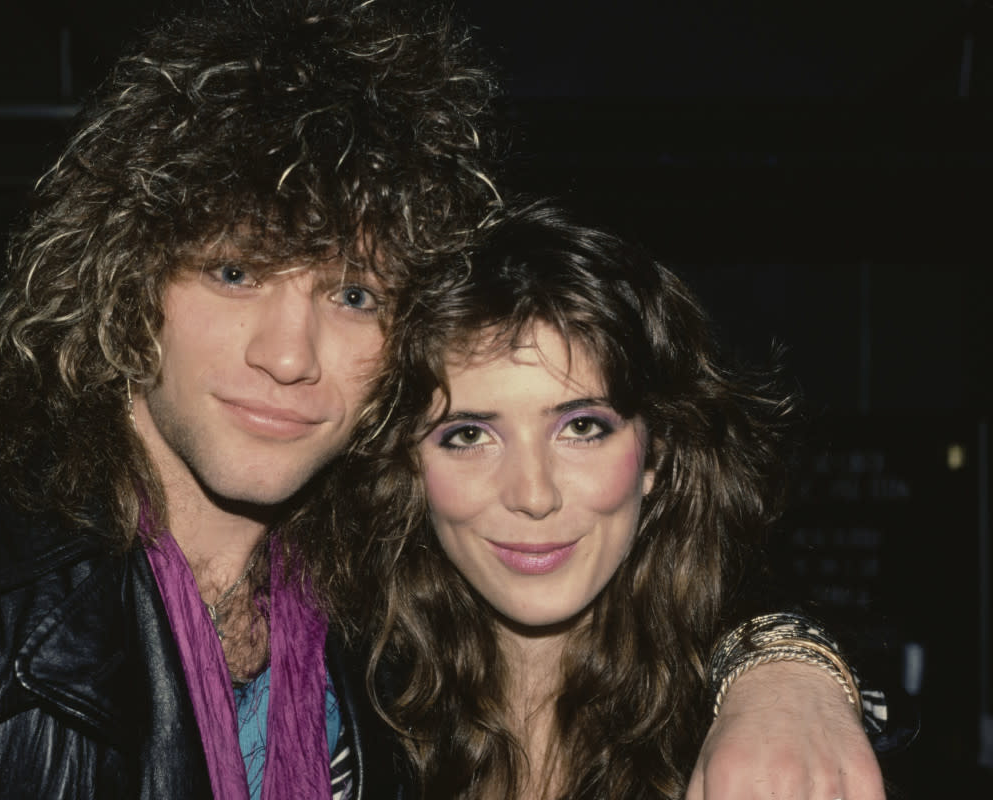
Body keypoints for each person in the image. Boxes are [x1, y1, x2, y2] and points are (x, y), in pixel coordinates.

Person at [0, 2, 886, 798]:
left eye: (353, 292)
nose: (289, 353)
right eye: (234, 270)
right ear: (129, 283)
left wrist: (784, 664)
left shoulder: (384, 609)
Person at [316, 200, 887, 799]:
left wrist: (783, 668)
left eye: (582, 428)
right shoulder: (336, 722)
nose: (533, 495)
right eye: (469, 436)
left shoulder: (761, 750)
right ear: (408, 465)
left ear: (655, 457)